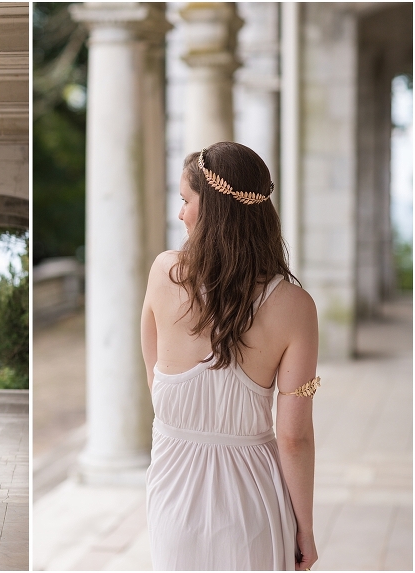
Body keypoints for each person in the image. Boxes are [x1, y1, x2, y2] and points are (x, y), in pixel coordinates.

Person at [141, 142, 319, 571]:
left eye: (185, 201)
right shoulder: (295, 306)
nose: (179, 213)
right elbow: (294, 438)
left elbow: (156, 381)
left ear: (215, 207)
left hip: (172, 505)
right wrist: (305, 529)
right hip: (253, 507)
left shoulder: (165, 274)